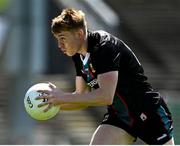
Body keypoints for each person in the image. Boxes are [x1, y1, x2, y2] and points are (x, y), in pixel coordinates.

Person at [36, 8, 174, 145]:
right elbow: (80, 97)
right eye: (57, 39)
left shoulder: (104, 46)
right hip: (119, 117)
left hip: (148, 112)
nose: (59, 45)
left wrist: (62, 96)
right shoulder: (78, 55)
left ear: (79, 33)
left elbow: (106, 96)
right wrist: (52, 104)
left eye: (62, 38)